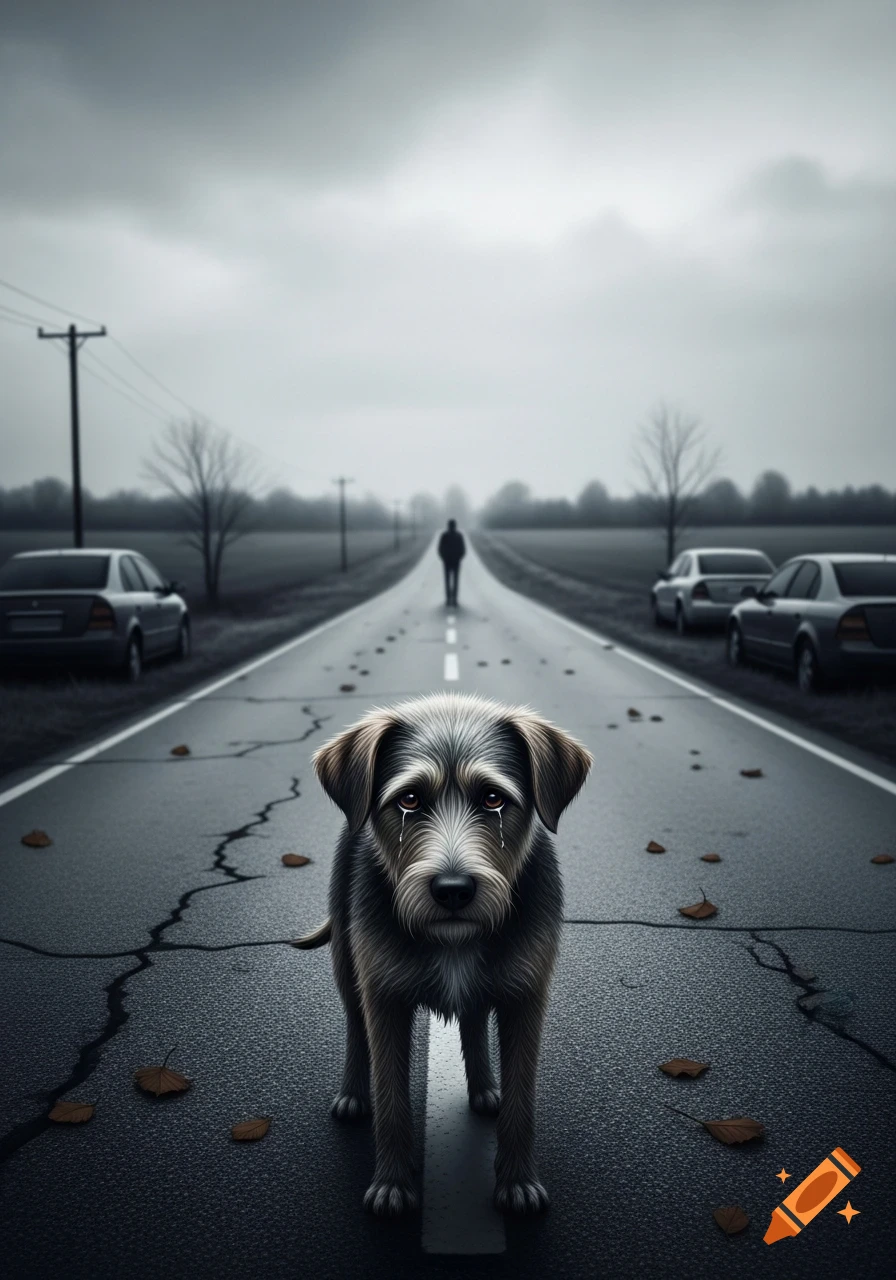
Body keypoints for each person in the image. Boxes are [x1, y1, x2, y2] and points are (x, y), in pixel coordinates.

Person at [437, 518, 466, 607]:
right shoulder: (458, 535)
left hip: (448, 561)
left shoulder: (444, 535)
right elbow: (463, 549)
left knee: (448, 580)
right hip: (454, 561)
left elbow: (440, 548)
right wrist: (459, 557)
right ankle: (454, 599)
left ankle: (449, 599)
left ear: (448, 526)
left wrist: (443, 557)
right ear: (455, 526)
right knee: (455, 580)